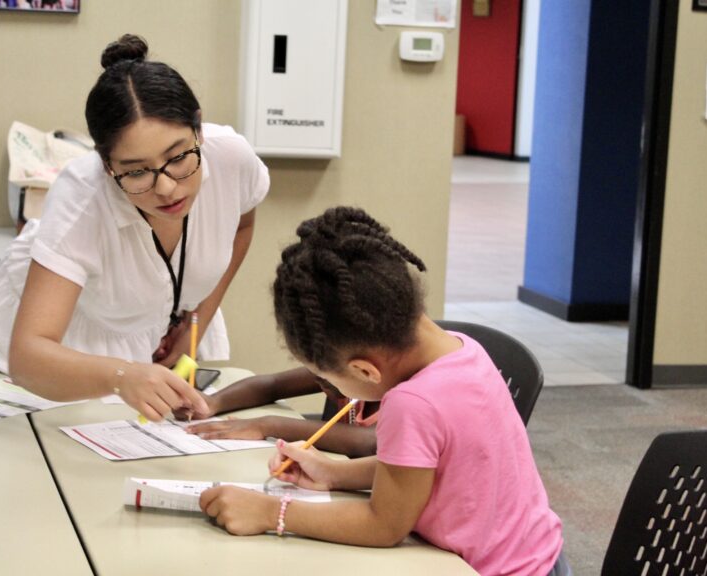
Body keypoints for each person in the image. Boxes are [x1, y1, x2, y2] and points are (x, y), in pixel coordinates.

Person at [199, 207, 571, 576]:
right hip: (543, 558)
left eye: (328, 379)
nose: (332, 388)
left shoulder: (413, 402)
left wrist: (269, 513)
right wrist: (334, 474)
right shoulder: (463, 350)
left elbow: (384, 525)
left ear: (364, 370)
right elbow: (429, 467)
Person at [0, 34, 270, 423]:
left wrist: (196, 319)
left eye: (178, 157)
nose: (166, 187)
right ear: (106, 163)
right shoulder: (83, 200)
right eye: (136, 171)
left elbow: (242, 225)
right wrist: (121, 376)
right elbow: (29, 356)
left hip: (143, 349)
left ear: (198, 128)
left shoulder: (232, 158)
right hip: (58, 361)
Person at [180, 367, 379, 457]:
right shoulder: (337, 367)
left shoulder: (403, 394)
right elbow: (272, 385)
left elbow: (370, 441)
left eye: (324, 380)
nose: (323, 387)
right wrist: (213, 402)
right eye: (317, 378)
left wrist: (267, 425)